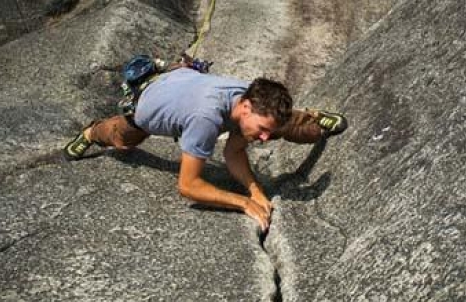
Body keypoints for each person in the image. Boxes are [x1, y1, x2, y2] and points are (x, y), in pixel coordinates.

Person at [64, 69, 347, 231]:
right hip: (149, 102)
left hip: (183, 78)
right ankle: (91, 132)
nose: (263, 138)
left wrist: (256, 189)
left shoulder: (245, 96)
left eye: (265, 131)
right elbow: (188, 186)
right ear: (246, 107)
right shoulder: (205, 119)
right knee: (122, 139)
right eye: (261, 129)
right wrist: (244, 202)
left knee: (285, 126)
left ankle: (311, 117)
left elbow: (233, 152)